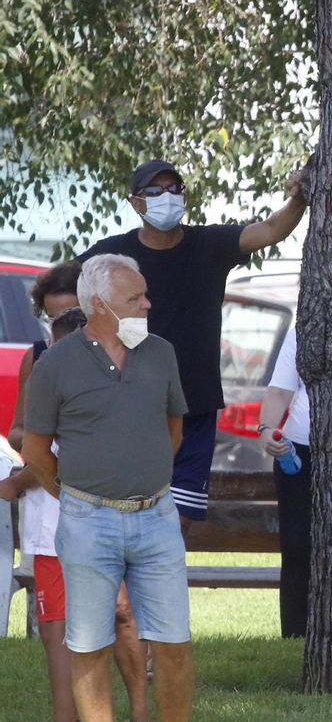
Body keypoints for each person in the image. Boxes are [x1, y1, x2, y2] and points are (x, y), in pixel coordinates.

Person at [21, 254, 196, 722]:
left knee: (173, 641)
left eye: (144, 295)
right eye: (135, 298)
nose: (147, 304)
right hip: (87, 521)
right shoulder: (55, 364)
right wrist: (79, 496)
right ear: (99, 305)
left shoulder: (160, 353)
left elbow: (173, 432)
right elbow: (35, 450)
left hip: (156, 517)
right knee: (88, 641)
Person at [76, 158, 307, 527]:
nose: (167, 197)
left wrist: (302, 196)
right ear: (136, 203)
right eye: (155, 191)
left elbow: (270, 229)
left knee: (178, 520)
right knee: (126, 516)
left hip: (194, 404)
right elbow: (65, 295)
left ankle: (159, 582)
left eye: (174, 189)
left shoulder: (209, 243)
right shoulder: (112, 254)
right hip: (132, 405)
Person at [4, 263, 152, 722]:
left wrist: (25, 474)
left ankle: (139, 713)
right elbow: (24, 433)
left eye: (72, 315)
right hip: (53, 526)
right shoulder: (43, 361)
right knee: (59, 626)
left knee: (122, 612)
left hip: (112, 516)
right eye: (53, 320)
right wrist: (42, 449)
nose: (63, 329)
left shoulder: (129, 358)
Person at [256, 322, 313, 639]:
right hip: (300, 450)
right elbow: (279, 390)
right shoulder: (303, 326)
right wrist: (265, 431)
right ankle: (295, 634)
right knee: (296, 547)